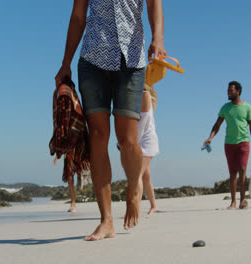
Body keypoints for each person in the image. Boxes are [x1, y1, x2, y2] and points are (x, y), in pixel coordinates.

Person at [55, 0, 166, 241]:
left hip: (131, 61)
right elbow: (77, 17)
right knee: (97, 137)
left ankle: (133, 189)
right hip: (92, 60)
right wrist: (65, 62)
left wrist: (158, 38)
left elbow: (154, 4)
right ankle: (106, 220)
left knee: (128, 139)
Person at [203, 81, 251, 209]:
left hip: (243, 142)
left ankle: (243, 200)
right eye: (228, 90)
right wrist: (210, 137)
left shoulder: (247, 107)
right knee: (233, 173)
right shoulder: (225, 108)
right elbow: (217, 125)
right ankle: (233, 202)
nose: (228, 93)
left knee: (242, 169)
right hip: (229, 144)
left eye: (231, 90)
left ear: (238, 91)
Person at [137, 84, 159, 216]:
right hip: (143, 140)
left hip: (146, 142)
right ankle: (154, 206)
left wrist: (132, 141)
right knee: (146, 176)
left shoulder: (145, 95)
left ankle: (136, 207)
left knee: (137, 175)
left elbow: (143, 123)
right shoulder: (142, 97)